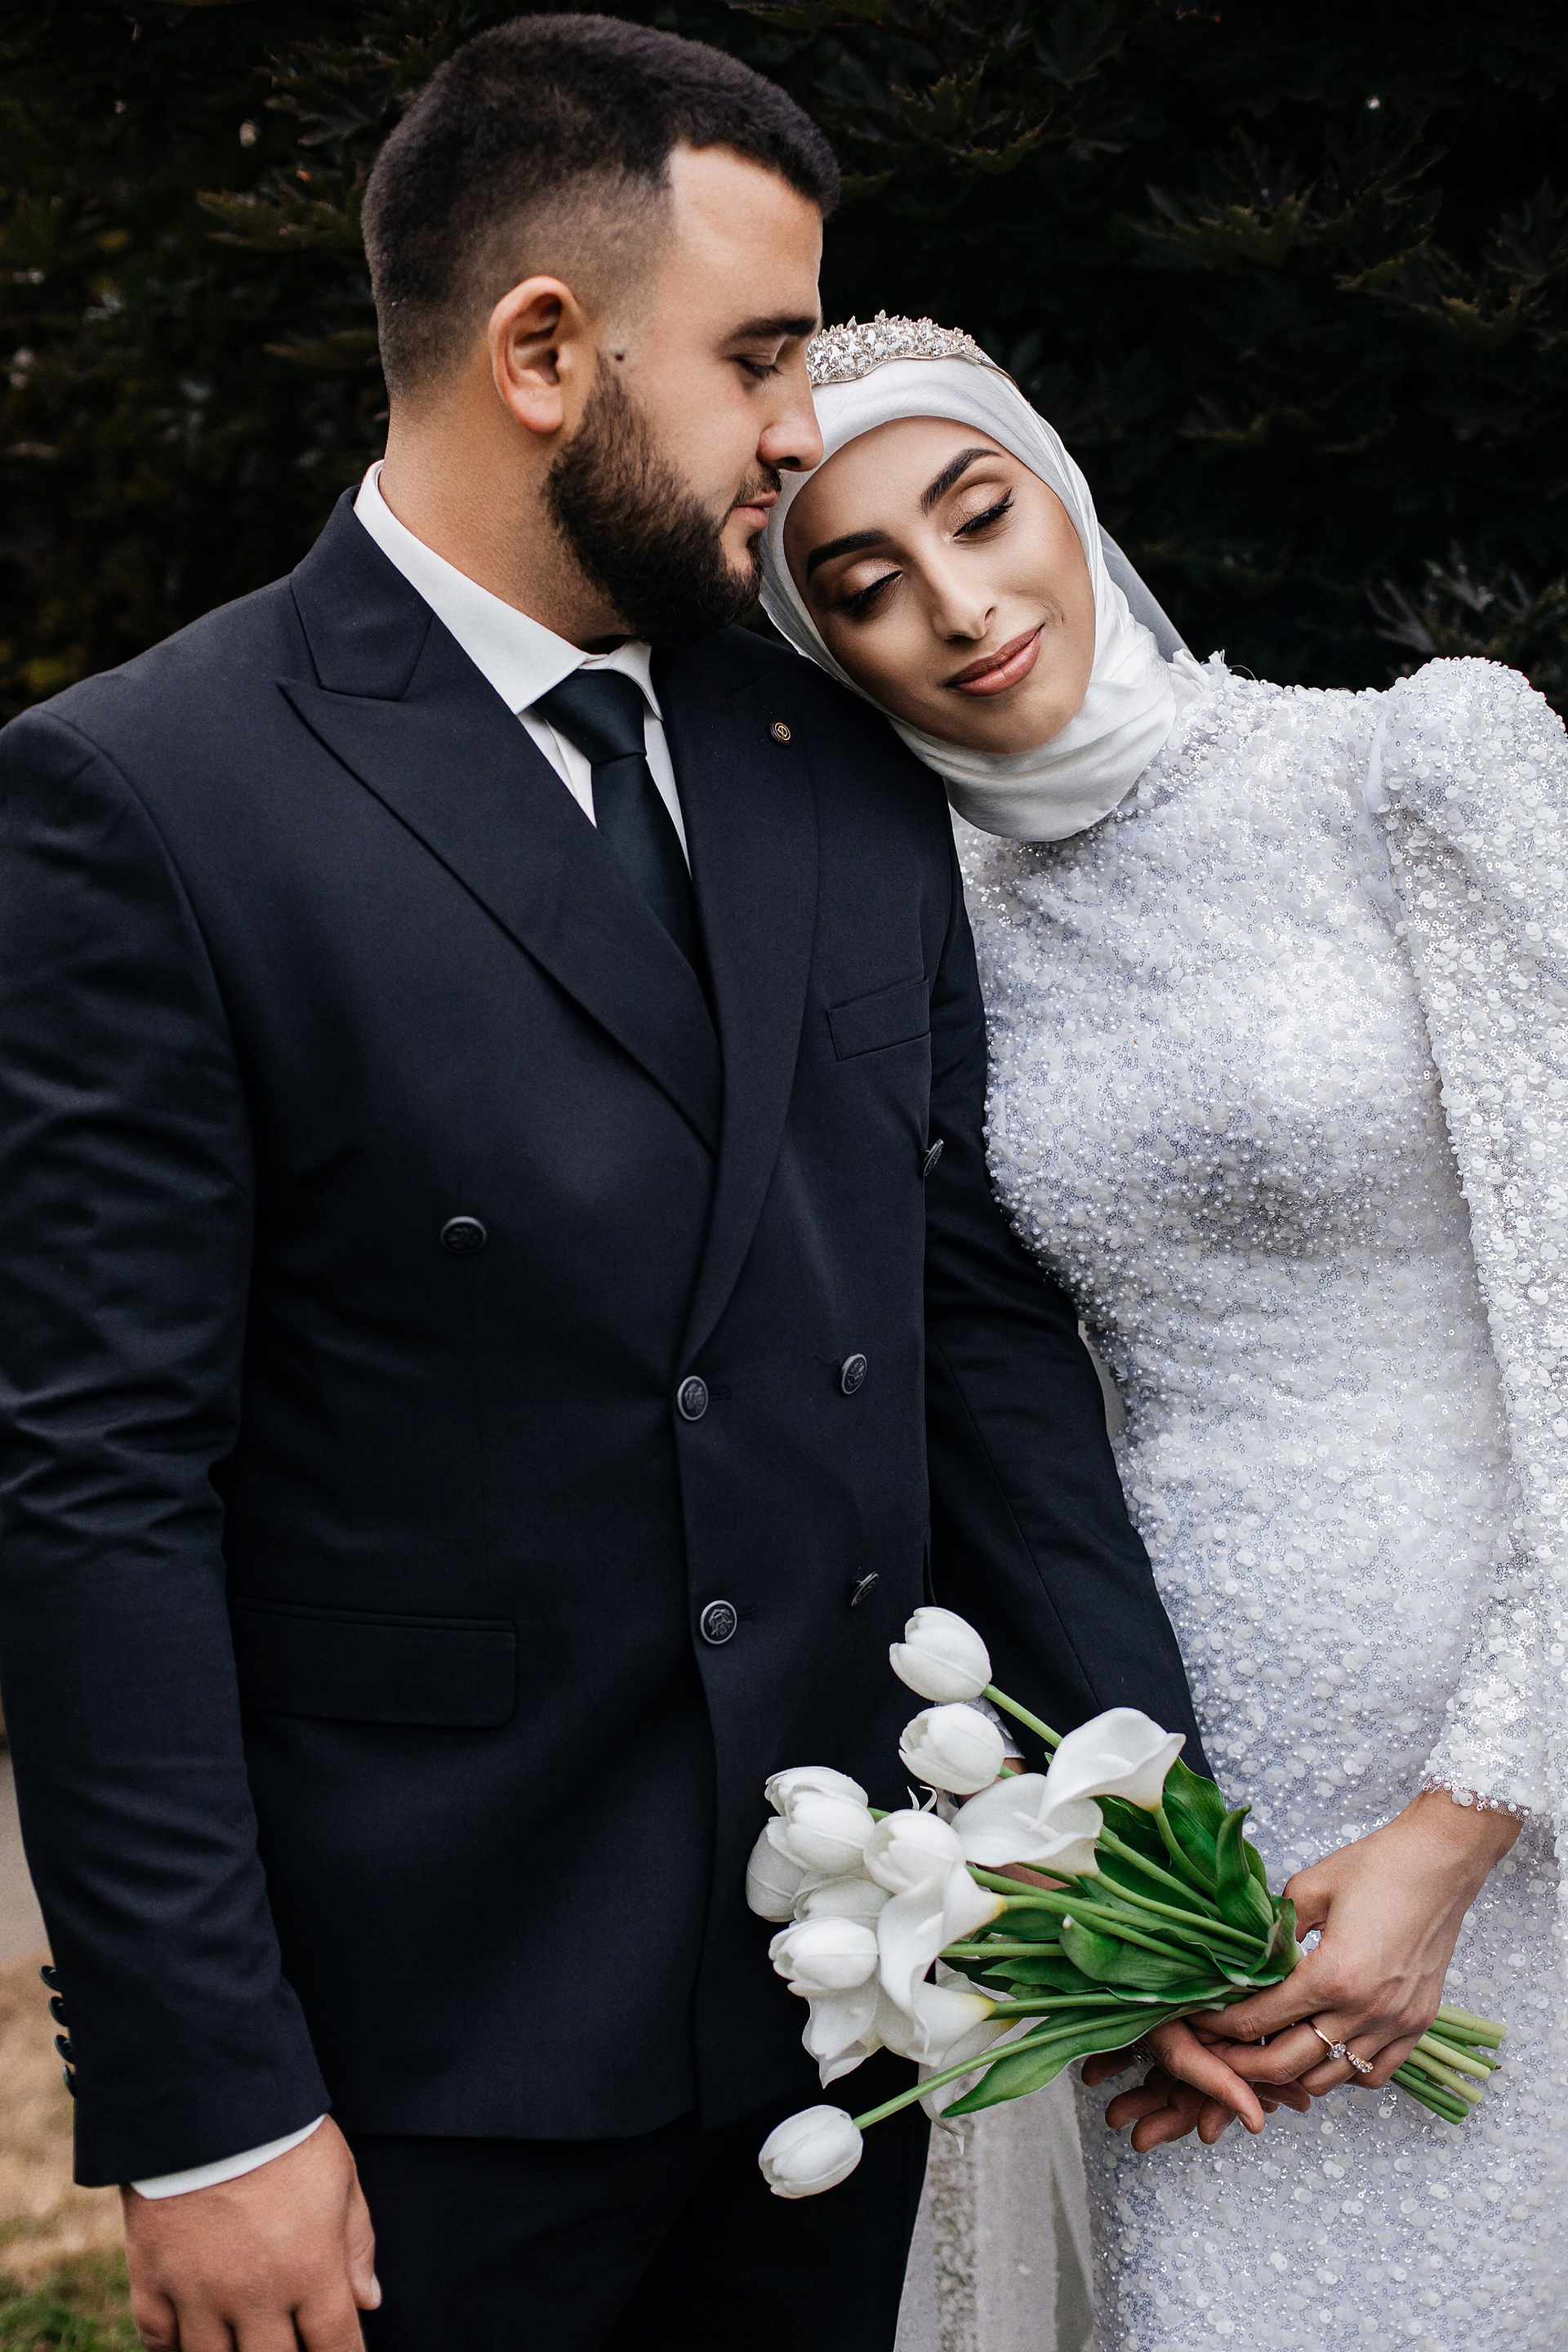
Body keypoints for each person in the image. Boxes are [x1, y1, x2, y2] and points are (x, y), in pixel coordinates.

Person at [0, 30, 1221, 2351]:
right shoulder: (145, 793)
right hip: (413, 2060)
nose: (800, 425)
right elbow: (96, 1494)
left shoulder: (831, 762)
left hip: (838, 2016)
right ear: (544, 352)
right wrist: (208, 2104)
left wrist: (1160, 1848)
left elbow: (967, 1338)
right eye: (758, 355)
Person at [761, 315, 1568, 2352]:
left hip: (1514, 1740)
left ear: (1065, 487)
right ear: (816, 646)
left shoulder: (1415, 768)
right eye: (866, 585)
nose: (962, 606)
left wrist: (1469, 1818)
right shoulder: (911, 940)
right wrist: (1102, 1874)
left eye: (980, 513)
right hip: (1180, 1796)